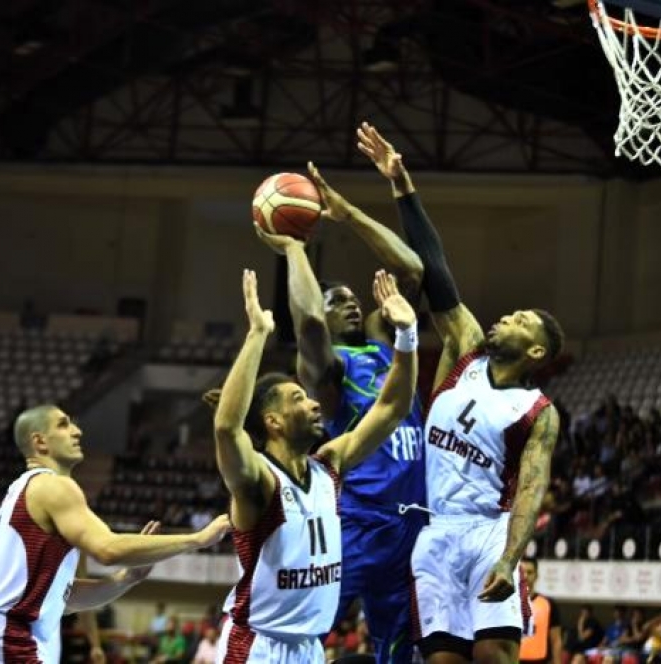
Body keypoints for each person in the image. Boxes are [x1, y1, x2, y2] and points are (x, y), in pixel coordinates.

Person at [357, 122, 563, 664]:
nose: (506, 316)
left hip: (488, 535)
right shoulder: (467, 353)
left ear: (536, 352)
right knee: (443, 660)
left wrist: (510, 558)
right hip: (436, 532)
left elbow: (530, 491)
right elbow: (435, 266)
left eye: (520, 320)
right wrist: (402, 185)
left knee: (494, 655)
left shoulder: (537, 411)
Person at [254, 161, 425, 664]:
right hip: (356, 524)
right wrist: (294, 248)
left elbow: (414, 272)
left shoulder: (383, 345)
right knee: (303, 630)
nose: (351, 305)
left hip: (412, 524)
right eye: (338, 300)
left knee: (397, 653)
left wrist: (347, 213)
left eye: (354, 300)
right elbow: (307, 324)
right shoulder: (327, 372)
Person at [212, 269, 418, 663]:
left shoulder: (329, 466)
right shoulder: (259, 480)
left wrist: (407, 336)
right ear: (273, 422)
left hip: (309, 647)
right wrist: (257, 334)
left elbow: (392, 408)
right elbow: (226, 427)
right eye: (297, 399)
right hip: (260, 646)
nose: (314, 403)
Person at [0, 404, 230, 663]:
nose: (77, 431)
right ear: (40, 442)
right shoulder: (54, 486)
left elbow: (66, 598)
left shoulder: (23, 489)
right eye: (64, 425)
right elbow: (108, 548)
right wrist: (198, 539)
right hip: (8, 636)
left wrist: (126, 579)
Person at [519, 558, 562, 664]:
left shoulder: (548, 604)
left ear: (536, 575)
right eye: (522, 572)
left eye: (530, 572)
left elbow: (556, 640)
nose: (525, 576)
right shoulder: (508, 604)